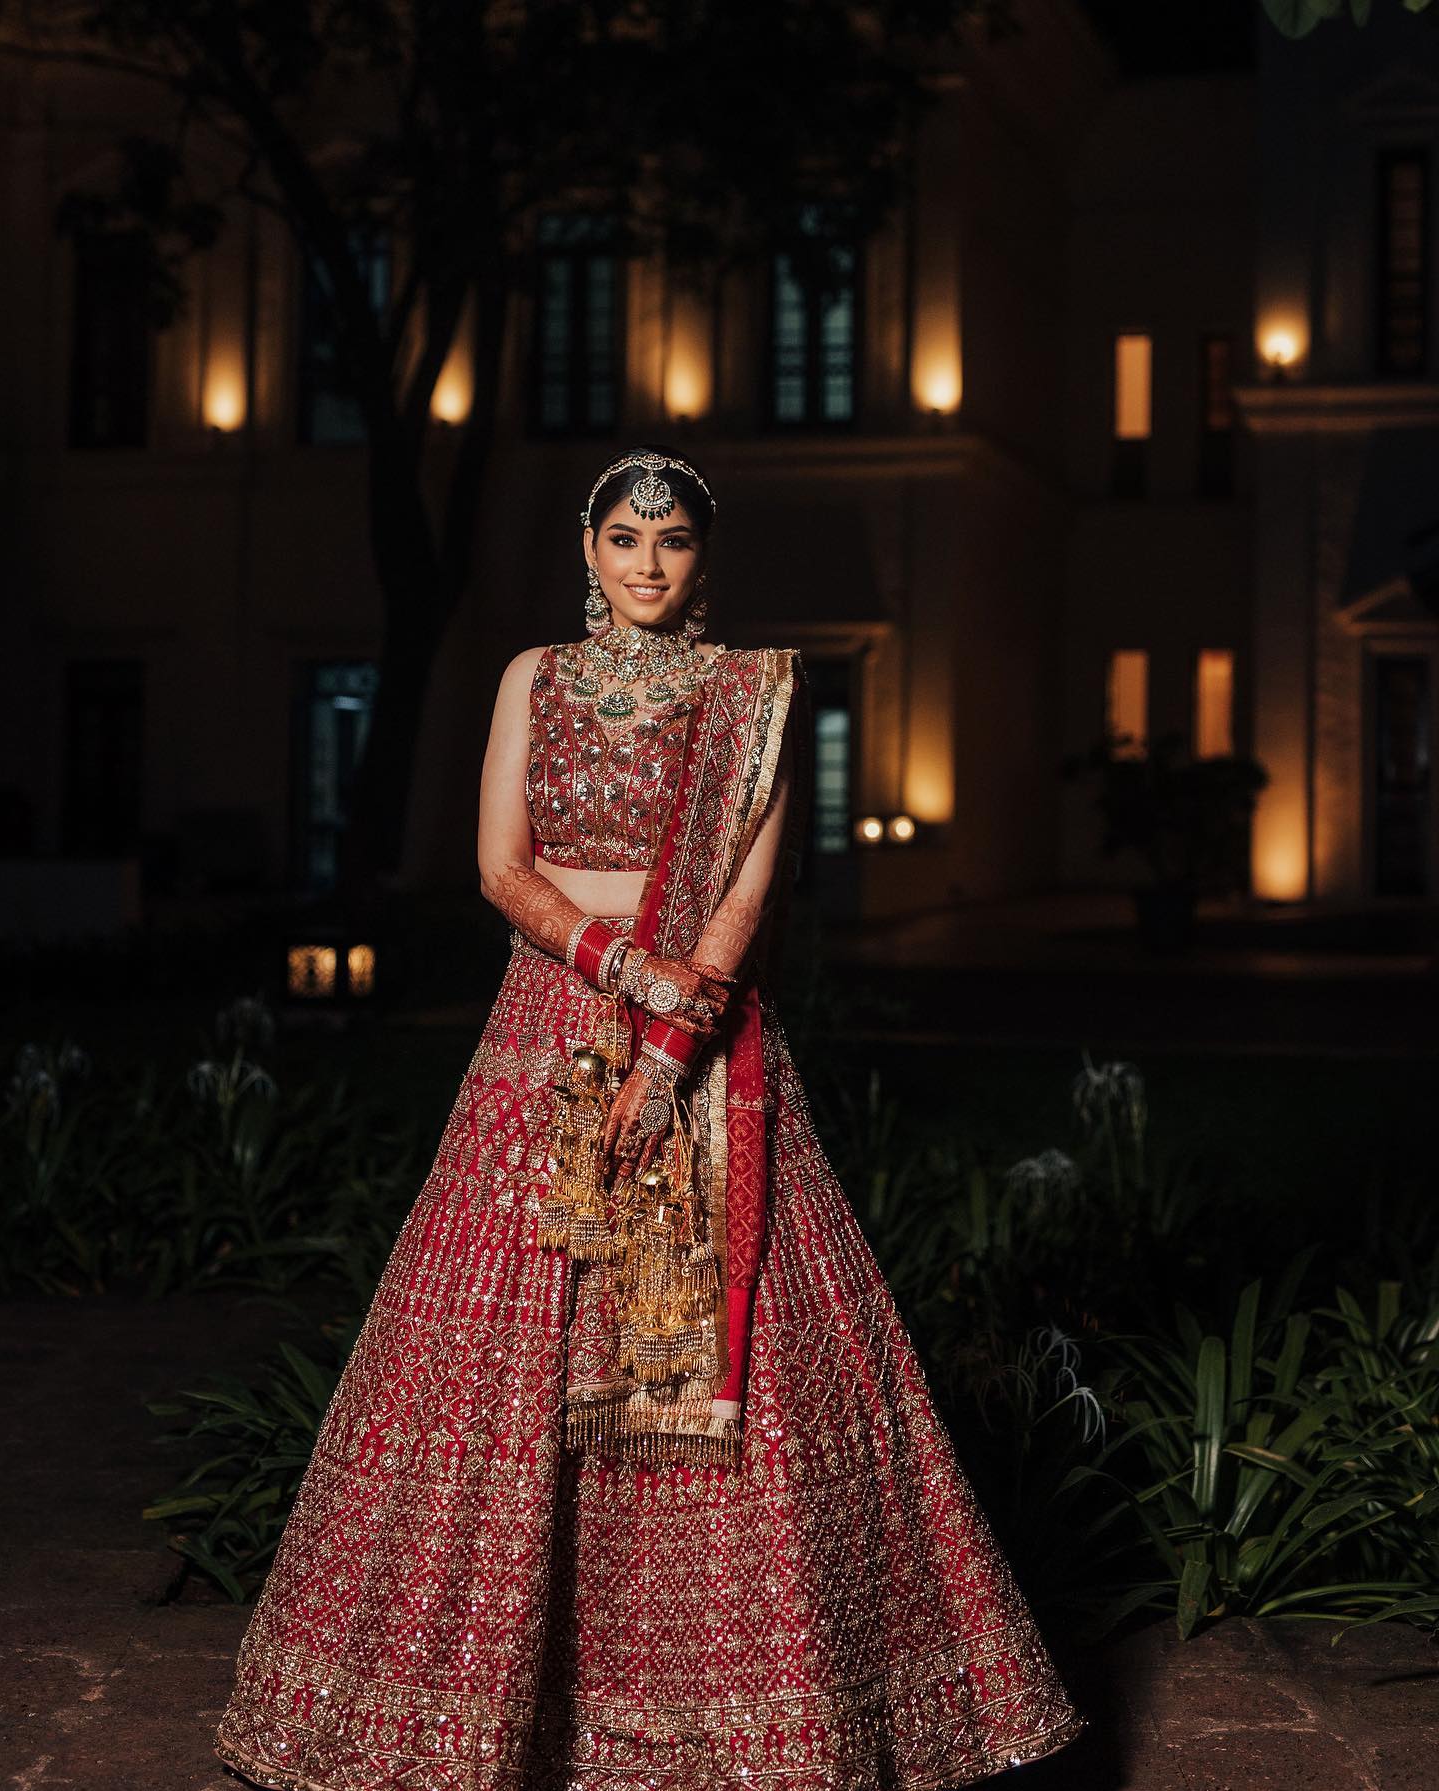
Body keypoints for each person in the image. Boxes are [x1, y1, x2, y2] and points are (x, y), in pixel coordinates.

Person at [213, 446, 1084, 1788]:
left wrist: (673, 1050)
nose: (648, 562)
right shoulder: (532, 679)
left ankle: (751, 1720)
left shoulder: (754, 697)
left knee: (739, 1363)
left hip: (706, 1047)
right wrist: (619, 970)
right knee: (511, 1346)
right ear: (587, 544)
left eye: (673, 541)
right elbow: (501, 867)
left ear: (702, 557)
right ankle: (490, 1715)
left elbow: (746, 897)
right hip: (547, 1029)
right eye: (626, 535)